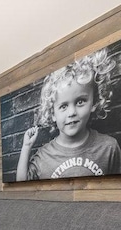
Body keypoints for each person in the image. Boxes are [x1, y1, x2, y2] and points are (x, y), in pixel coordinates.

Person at [16, 48, 121, 181]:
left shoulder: (109, 147)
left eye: (80, 102)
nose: (71, 113)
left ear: (94, 103)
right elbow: (21, 182)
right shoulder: (43, 155)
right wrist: (26, 147)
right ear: (53, 113)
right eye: (63, 106)